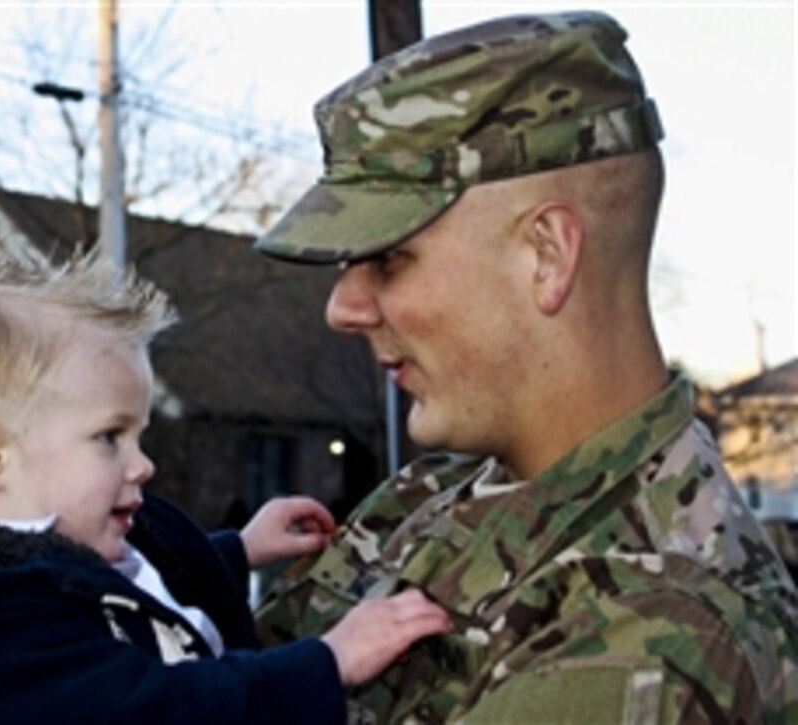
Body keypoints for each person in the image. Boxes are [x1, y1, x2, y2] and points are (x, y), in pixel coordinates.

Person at [253, 10, 798, 723]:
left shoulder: (654, 635)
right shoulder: (429, 495)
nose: (344, 308)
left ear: (547, 255)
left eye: (390, 257)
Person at [0, 249, 451, 725]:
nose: (142, 464)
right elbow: (157, 709)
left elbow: (129, 587)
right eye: (110, 436)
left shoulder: (43, 538)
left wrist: (236, 551)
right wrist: (326, 663)